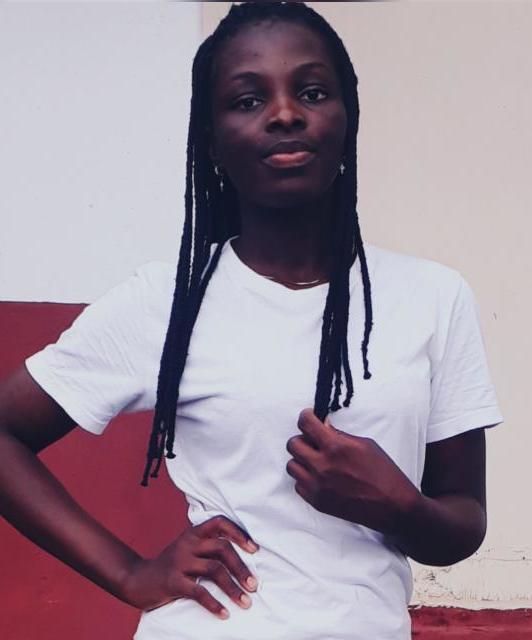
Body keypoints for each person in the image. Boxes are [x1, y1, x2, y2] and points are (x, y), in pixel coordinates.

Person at [0, 2, 504, 639]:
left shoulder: (433, 296)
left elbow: (463, 524)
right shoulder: (168, 301)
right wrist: (130, 574)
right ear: (212, 141)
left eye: (312, 92)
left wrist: (396, 504)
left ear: (347, 116)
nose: (285, 114)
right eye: (247, 100)